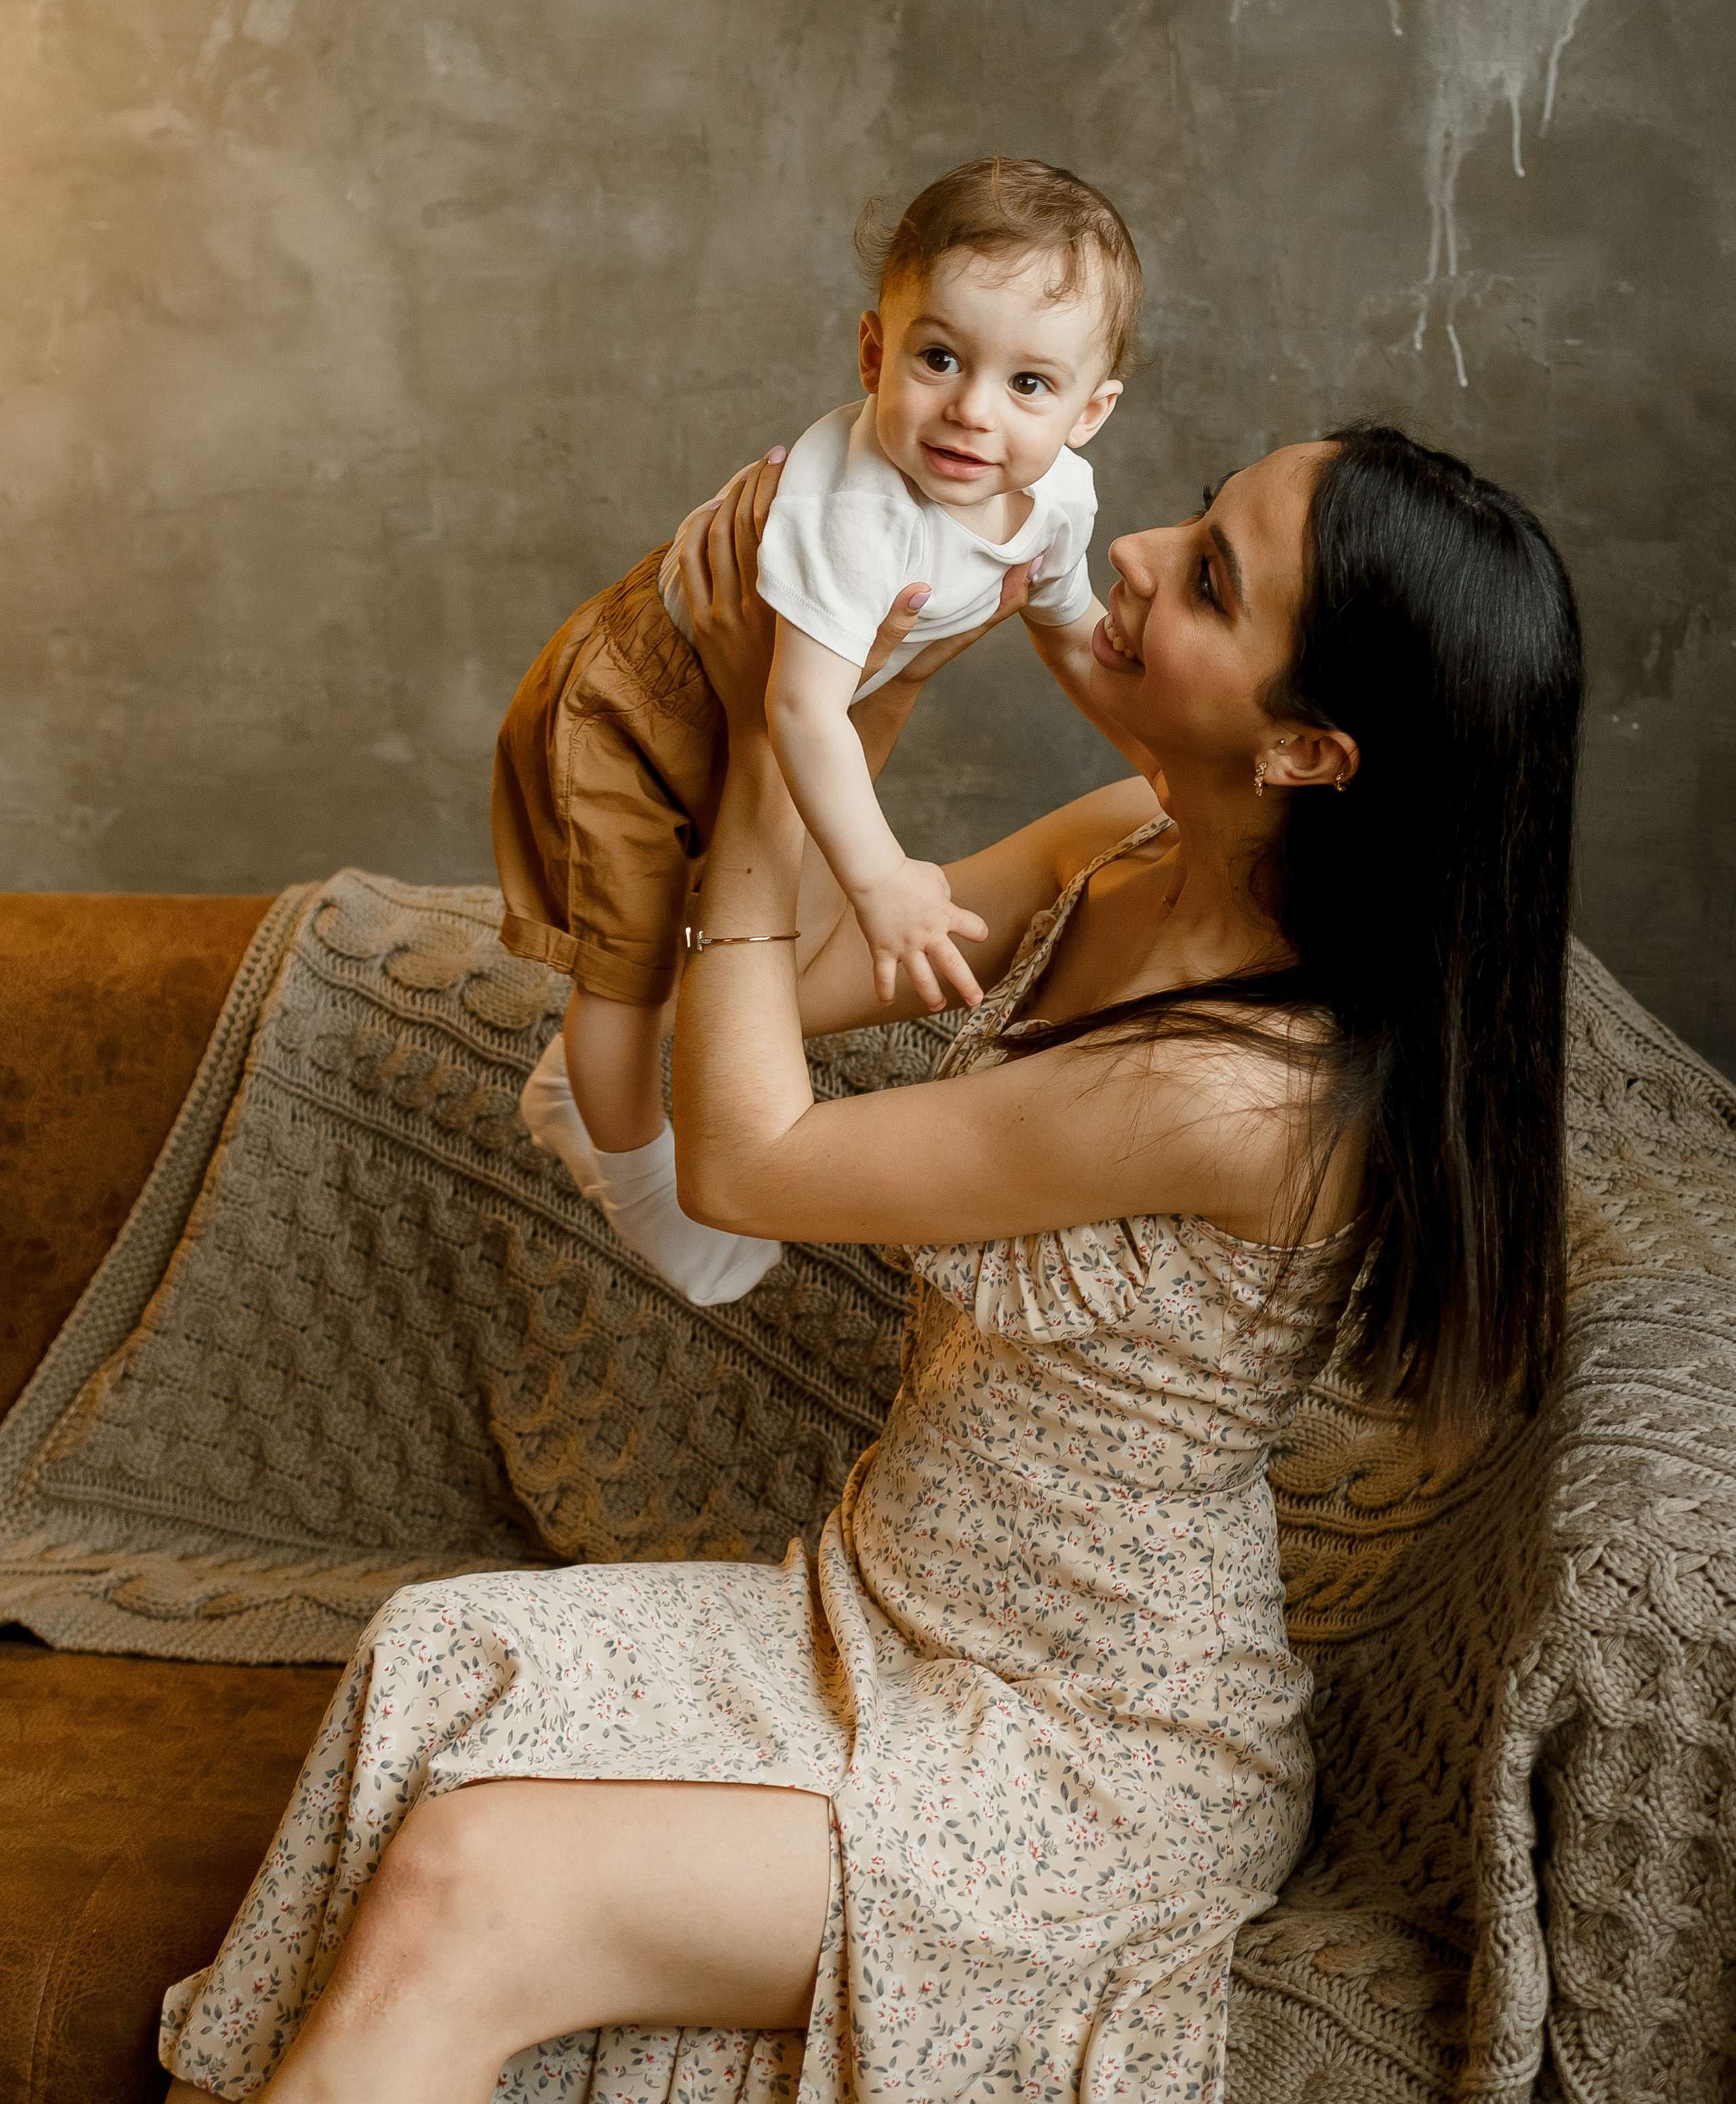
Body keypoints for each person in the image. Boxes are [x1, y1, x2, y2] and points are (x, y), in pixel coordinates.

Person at [161, 422, 1583, 2104]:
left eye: (1208, 575)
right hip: (871, 1614)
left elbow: (750, 1160)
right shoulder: (1123, 840)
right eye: (1196, 509)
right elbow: (760, 995)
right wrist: (844, 694)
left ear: (1307, 751)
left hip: (1087, 1750)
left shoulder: (1240, 1092)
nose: (1129, 548)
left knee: (482, 1879)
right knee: (436, 1657)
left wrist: (792, 712)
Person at [493, 156, 1141, 1307]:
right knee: (630, 976)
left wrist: (1154, 752)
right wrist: (882, 876)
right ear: (873, 355)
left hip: (782, 705)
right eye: (939, 359)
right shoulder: (858, 515)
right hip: (633, 714)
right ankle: (626, 1165)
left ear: (1088, 411)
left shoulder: (1057, 501)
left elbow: (1070, 627)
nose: (973, 411)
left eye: (1029, 383)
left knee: (716, 936)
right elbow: (792, 707)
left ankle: (582, 1083)